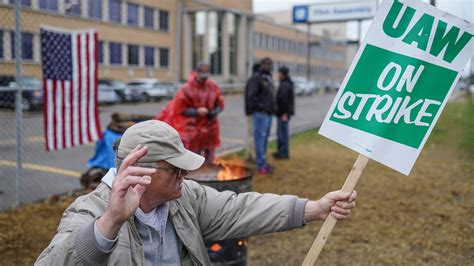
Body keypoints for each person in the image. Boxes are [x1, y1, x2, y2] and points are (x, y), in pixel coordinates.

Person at [36, 120, 357, 265]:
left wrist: (314, 208)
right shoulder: (89, 212)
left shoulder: (185, 197)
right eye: (175, 169)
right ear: (140, 173)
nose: (184, 175)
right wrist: (109, 224)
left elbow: (241, 208)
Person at [156, 62, 224, 164]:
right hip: (192, 130)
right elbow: (179, 109)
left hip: (210, 128)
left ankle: (208, 174)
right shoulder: (186, 89)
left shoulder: (213, 87)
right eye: (202, 76)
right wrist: (197, 112)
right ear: (196, 73)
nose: (204, 79)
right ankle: (193, 175)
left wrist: (212, 112)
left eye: (206, 76)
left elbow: (220, 104)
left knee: (209, 157)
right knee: (193, 158)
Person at [246, 58, 276, 174]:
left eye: (270, 64)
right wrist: (260, 107)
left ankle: (263, 162)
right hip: (260, 114)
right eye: (266, 64)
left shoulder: (268, 78)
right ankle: (260, 165)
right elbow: (251, 96)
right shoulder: (256, 78)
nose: (269, 66)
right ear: (261, 65)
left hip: (268, 114)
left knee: (264, 140)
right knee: (259, 139)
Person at [273, 66, 294, 159]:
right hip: (284, 113)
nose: (278, 75)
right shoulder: (286, 83)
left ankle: (282, 153)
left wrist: (284, 113)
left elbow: (283, 100)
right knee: (283, 133)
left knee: (282, 134)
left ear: (282, 74)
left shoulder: (285, 84)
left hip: (283, 114)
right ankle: (282, 152)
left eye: (279, 73)